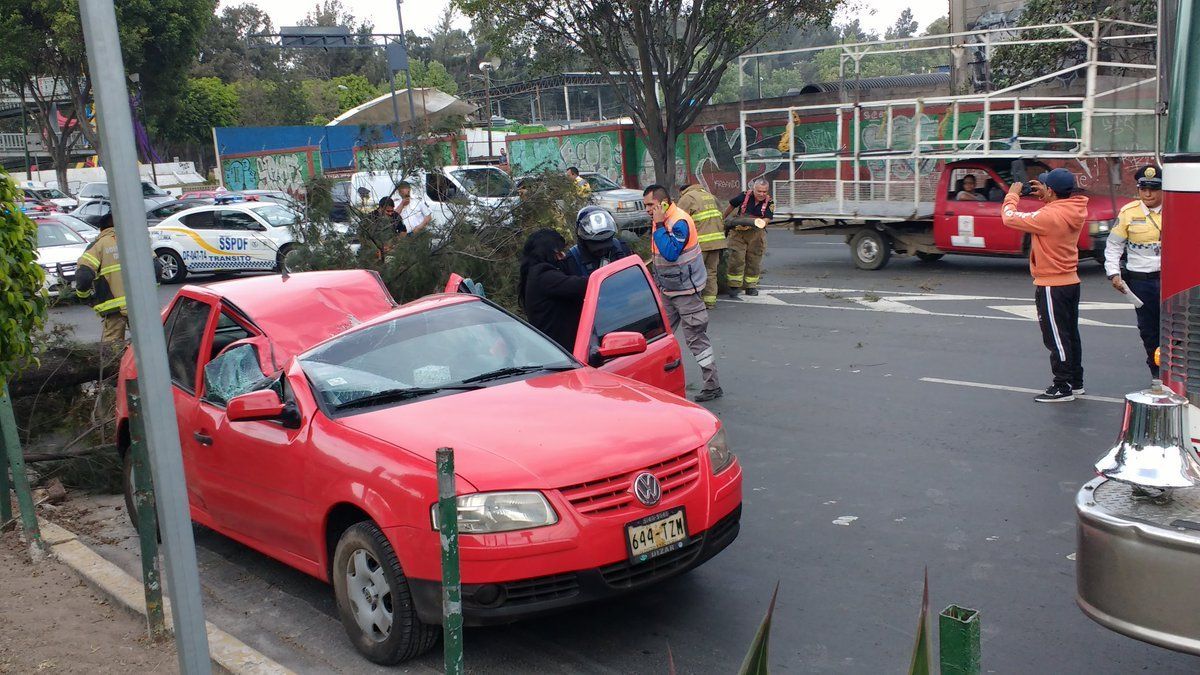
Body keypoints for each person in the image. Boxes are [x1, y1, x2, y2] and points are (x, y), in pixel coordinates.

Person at [1001, 167, 1089, 402]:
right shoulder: (1072, 208)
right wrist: (1047, 196)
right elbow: (1051, 210)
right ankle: (1075, 382)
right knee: (1070, 335)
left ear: (1052, 191)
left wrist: (1013, 195)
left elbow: (1009, 217)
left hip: (1052, 284)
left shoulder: (1050, 216)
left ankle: (1062, 386)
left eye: (1045, 186)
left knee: (1056, 338)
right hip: (1070, 280)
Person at [644, 184, 722, 402]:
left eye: (650, 204)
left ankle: (712, 385)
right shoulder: (661, 221)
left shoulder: (678, 220)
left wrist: (659, 225)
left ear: (664, 203)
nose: (648, 210)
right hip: (669, 291)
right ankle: (651, 384)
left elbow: (670, 253)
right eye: (646, 206)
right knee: (656, 338)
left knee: (696, 339)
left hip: (686, 292)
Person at [1105, 165, 1163, 377]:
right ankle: (1157, 376)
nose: (1148, 193)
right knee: (1149, 332)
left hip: (1170, 282)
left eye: (1154, 189)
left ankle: (1179, 377)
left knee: (1178, 331)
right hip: (1141, 283)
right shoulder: (1129, 213)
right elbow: (1113, 246)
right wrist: (1114, 274)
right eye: (1143, 188)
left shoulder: (1176, 209)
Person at [519, 228, 589, 351]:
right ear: (547, 251)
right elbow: (580, 285)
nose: (563, 256)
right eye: (559, 252)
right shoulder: (543, 275)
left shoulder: (533, 275)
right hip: (566, 351)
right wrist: (602, 275)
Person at [74, 212, 127, 343]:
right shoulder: (135, 240)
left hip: (114, 307)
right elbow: (156, 268)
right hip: (142, 304)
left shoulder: (98, 245)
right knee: (149, 342)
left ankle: (115, 363)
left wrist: (83, 296)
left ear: (101, 229)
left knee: (112, 347)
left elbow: (84, 275)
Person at [678, 183, 728, 309]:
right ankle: (710, 301)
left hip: (699, 244)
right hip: (717, 242)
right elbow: (722, 215)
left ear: (683, 191)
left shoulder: (687, 198)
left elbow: (678, 220)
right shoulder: (710, 196)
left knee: (693, 273)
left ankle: (694, 302)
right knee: (711, 272)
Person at [722, 178, 772, 298]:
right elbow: (731, 206)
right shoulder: (744, 196)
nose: (762, 194)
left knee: (754, 260)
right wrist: (722, 219)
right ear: (753, 189)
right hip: (738, 232)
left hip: (756, 234)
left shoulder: (769, 202)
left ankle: (751, 286)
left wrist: (761, 223)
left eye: (764, 192)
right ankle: (734, 286)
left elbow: (768, 218)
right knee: (736, 259)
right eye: (759, 191)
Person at [565, 205, 632, 277]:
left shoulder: (621, 247)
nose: (602, 250)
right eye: (595, 244)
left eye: (605, 241)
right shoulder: (573, 258)